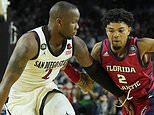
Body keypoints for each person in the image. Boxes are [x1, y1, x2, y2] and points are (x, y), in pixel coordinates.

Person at [0, 2, 131, 115]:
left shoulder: (76, 44)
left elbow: (95, 72)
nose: (77, 26)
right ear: (59, 22)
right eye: (74, 22)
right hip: (21, 96)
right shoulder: (29, 43)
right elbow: (6, 83)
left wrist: (120, 95)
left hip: (46, 89)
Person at [91, 8, 154, 115]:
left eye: (121, 30)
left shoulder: (141, 45)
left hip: (149, 97)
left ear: (129, 30)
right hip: (126, 100)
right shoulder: (98, 51)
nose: (116, 34)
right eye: (111, 30)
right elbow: (88, 81)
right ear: (106, 30)